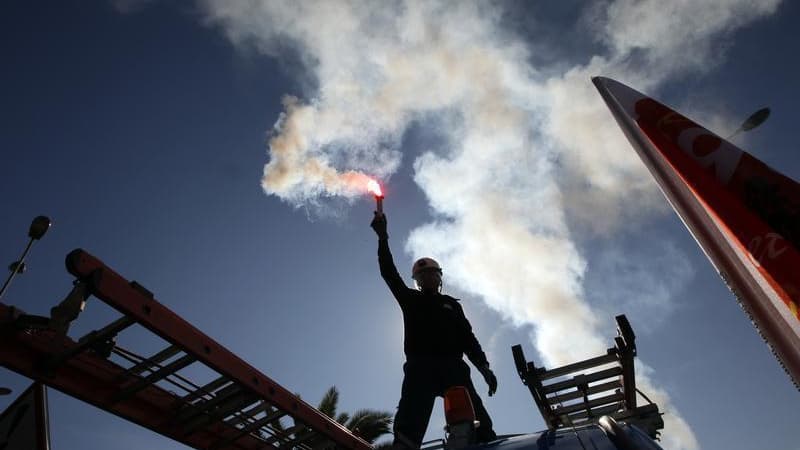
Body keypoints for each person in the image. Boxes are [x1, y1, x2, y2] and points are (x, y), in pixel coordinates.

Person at [370, 211, 498, 448]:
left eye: (431, 273)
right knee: (410, 420)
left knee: (477, 418)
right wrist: (382, 238)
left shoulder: (452, 305)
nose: (427, 277)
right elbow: (389, 273)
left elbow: (469, 339)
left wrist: (484, 367)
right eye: (422, 275)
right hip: (420, 368)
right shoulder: (410, 299)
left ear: (439, 277)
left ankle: (484, 441)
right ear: (416, 280)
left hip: (453, 368)